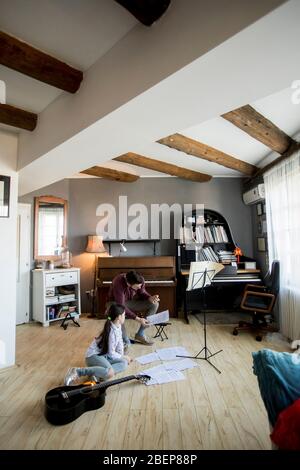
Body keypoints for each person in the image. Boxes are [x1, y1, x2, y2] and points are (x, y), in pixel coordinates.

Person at [64, 303, 132, 386]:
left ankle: (97, 374)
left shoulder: (118, 326)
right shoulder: (111, 331)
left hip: (105, 356)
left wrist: (122, 356)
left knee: (124, 363)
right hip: (93, 356)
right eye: (124, 315)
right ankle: (78, 371)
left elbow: (120, 342)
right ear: (118, 317)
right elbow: (111, 353)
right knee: (110, 373)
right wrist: (124, 356)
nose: (125, 316)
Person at [106, 270, 160, 346]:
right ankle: (124, 339)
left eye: (141, 285)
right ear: (129, 284)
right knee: (119, 312)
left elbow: (142, 292)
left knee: (154, 304)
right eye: (138, 286)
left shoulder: (140, 279)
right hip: (114, 303)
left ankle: (140, 334)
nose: (140, 287)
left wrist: (149, 297)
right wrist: (138, 319)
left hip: (129, 301)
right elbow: (121, 305)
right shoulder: (118, 281)